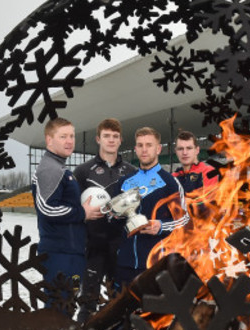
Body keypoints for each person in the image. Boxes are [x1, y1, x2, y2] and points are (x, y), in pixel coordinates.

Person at [73, 118, 136, 318]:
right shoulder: (83, 171)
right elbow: (75, 209)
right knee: (88, 301)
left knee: (120, 300)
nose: (111, 140)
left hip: (121, 245)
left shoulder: (131, 171)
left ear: (120, 140)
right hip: (93, 246)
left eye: (115, 136)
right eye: (106, 136)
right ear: (98, 139)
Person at [113, 127, 189, 288]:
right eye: (140, 145)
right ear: (135, 149)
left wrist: (160, 226)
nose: (144, 149)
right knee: (122, 311)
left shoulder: (170, 182)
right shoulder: (124, 182)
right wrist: (114, 216)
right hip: (125, 264)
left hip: (155, 264)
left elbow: (183, 220)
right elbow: (114, 220)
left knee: (153, 312)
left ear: (158, 149)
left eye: (149, 145)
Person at [31, 117, 95, 311]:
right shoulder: (50, 169)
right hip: (59, 254)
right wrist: (82, 212)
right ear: (49, 140)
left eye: (72, 136)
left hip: (71, 252)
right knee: (57, 310)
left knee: (65, 309)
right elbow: (47, 208)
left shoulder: (61, 168)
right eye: (63, 136)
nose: (69, 141)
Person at [172, 130, 219, 194]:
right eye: (180, 149)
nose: (184, 153)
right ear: (176, 151)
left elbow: (206, 201)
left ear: (197, 150)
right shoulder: (173, 176)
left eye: (189, 148)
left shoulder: (208, 172)